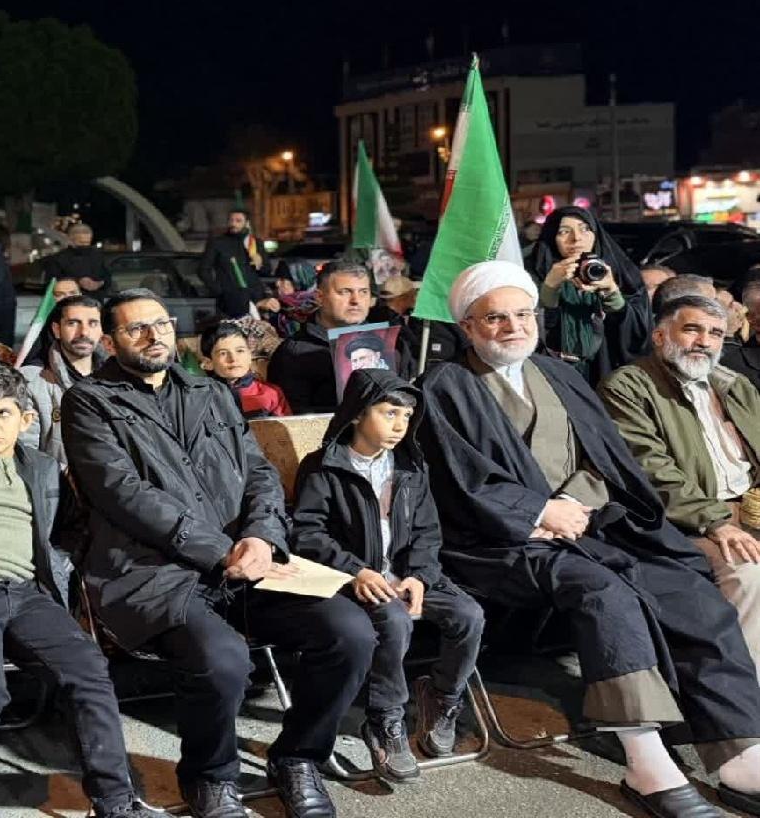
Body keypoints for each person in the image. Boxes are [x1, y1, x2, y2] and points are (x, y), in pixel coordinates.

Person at [419, 260, 760, 818]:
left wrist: (576, 504)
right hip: (500, 541)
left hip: (586, 524)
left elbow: (606, 458)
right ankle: (645, 761)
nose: (513, 327)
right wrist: (540, 512)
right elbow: (459, 480)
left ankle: (738, 751)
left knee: (689, 588)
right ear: (468, 326)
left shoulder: (560, 374)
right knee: (605, 592)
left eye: (523, 314)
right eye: (496, 318)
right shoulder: (445, 386)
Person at [61, 288, 374, 818]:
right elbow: (123, 494)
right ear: (110, 341)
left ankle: (298, 757)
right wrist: (223, 550)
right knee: (222, 659)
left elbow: (258, 473)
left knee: (350, 632)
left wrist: (263, 537)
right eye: (136, 328)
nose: (154, 336)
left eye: (161, 323)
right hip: (155, 571)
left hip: (248, 561)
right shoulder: (89, 401)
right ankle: (210, 777)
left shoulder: (210, 390)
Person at [0, 363, 162, 818]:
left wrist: (56, 568)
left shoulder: (43, 470)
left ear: (25, 419)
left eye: (3, 413)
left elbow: (70, 530)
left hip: (28, 593)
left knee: (88, 669)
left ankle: (115, 800)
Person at [290, 370, 484, 784]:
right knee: (393, 620)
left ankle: (442, 697)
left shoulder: (411, 467)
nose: (400, 425)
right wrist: (354, 570)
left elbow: (428, 532)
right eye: (389, 412)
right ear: (359, 413)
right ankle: (384, 717)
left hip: (407, 575)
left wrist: (419, 576)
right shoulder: (324, 466)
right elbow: (307, 532)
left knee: (468, 615)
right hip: (353, 577)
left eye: (407, 416)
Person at [601, 294, 760, 673]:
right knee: (749, 570)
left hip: (750, 509)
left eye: (716, 333)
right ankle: (744, 695)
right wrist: (715, 521)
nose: (704, 341)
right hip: (685, 522)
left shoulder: (734, 386)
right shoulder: (628, 386)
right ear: (660, 336)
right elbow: (649, 468)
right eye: (692, 329)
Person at [526, 205, 652, 385]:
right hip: (552, 375)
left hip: (606, 373)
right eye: (564, 231)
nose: (576, 238)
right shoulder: (532, 273)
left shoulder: (621, 273)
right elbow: (531, 328)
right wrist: (550, 287)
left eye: (585, 229)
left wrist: (611, 293)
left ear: (596, 234)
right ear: (552, 237)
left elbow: (639, 333)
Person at [268, 259, 410, 414]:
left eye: (363, 292)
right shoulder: (294, 353)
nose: (356, 300)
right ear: (320, 297)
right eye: (345, 292)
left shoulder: (392, 345)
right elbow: (294, 418)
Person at [18, 295, 108, 467]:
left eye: (93, 323)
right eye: (73, 323)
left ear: (102, 330)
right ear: (56, 330)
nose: (84, 332)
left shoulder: (120, 378)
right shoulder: (30, 381)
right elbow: (26, 452)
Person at [199, 321, 289, 418]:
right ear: (208, 363)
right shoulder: (201, 397)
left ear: (250, 355)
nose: (233, 359)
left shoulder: (270, 393)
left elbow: (285, 426)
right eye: (223, 353)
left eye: (240, 351)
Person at [199, 210, 267, 314]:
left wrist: (260, 263)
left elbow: (267, 271)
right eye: (231, 220)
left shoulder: (255, 243)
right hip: (230, 301)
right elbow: (203, 270)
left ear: (247, 223)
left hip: (256, 299)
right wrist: (220, 291)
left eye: (238, 221)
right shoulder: (218, 243)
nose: (233, 224)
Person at [42, 224, 113, 298]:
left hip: (95, 300)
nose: (85, 245)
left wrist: (100, 283)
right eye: (81, 242)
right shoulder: (57, 259)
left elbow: (108, 277)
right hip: (69, 300)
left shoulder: (98, 256)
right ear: (70, 239)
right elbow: (51, 284)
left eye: (87, 242)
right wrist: (78, 282)